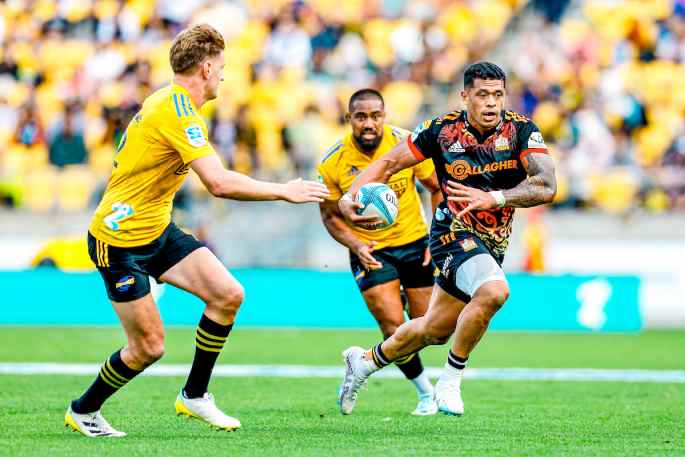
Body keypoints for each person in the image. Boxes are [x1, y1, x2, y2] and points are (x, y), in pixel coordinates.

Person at [64, 24, 329, 438]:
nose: (223, 75)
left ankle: (194, 396)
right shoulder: (174, 110)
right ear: (206, 68)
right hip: (118, 243)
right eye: (221, 66)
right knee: (148, 348)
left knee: (228, 295)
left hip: (157, 230)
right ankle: (84, 410)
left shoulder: (176, 106)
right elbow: (218, 183)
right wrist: (283, 190)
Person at [336, 62, 557, 416]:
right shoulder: (441, 131)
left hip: (491, 243)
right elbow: (389, 163)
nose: (490, 104)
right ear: (465, 95)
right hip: (451, 233)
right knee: (495, 291)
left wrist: (495, 198)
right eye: (482, 95)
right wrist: (351, 194)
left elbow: (547, 184)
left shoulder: (521, 131)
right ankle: (451, 380)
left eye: (497, 95)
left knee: (434, 331)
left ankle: (363, 362)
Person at [317, 89, 442, 415]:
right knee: (392, 326)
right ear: (349, 119)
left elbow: (436, 188)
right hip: (370, 251)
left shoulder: (407, 144)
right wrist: (356, 244)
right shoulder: (333, 162)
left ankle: (367, 354)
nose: (369, 123)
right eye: (361, 116)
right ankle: (426, 395)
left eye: (375, 116)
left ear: (384, 116)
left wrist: (435, 237)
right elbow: (330, 215)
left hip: (416, 243)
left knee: (429, 328)